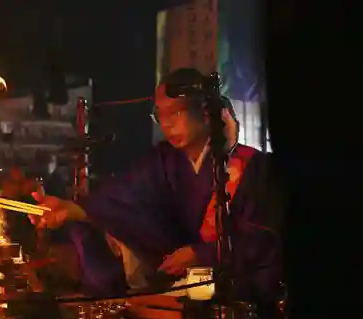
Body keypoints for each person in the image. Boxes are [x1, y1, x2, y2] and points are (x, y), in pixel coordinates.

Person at [28, 68, 283, 303]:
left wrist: (201, 254)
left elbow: (262, 242)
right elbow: (121, 200)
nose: (167, 124)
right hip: (176, 286)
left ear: (206, 114)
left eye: (176, 113)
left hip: (235, 289)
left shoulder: (252, 167)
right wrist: (69, 209)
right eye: (160, 116)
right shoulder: (162, 161)